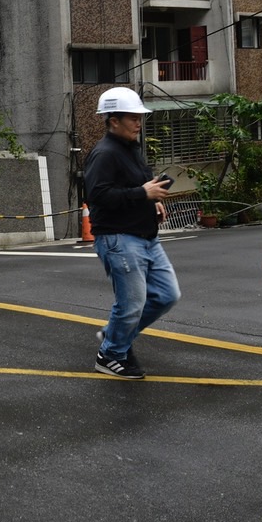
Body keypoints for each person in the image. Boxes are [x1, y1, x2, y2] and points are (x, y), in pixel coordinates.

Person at [82, 87, 178, 380]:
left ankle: (114, 338)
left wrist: (154, 198)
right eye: (132, 117)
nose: (139, 122)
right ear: (113, 120)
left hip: (145, 237)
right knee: (132, 303)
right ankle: (110, 354)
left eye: (139, 117)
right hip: (119, 239)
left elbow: (139, 188)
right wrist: (142, 192)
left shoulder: (130, 149)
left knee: (166, 295)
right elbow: (97, 195)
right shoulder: (104, 153)